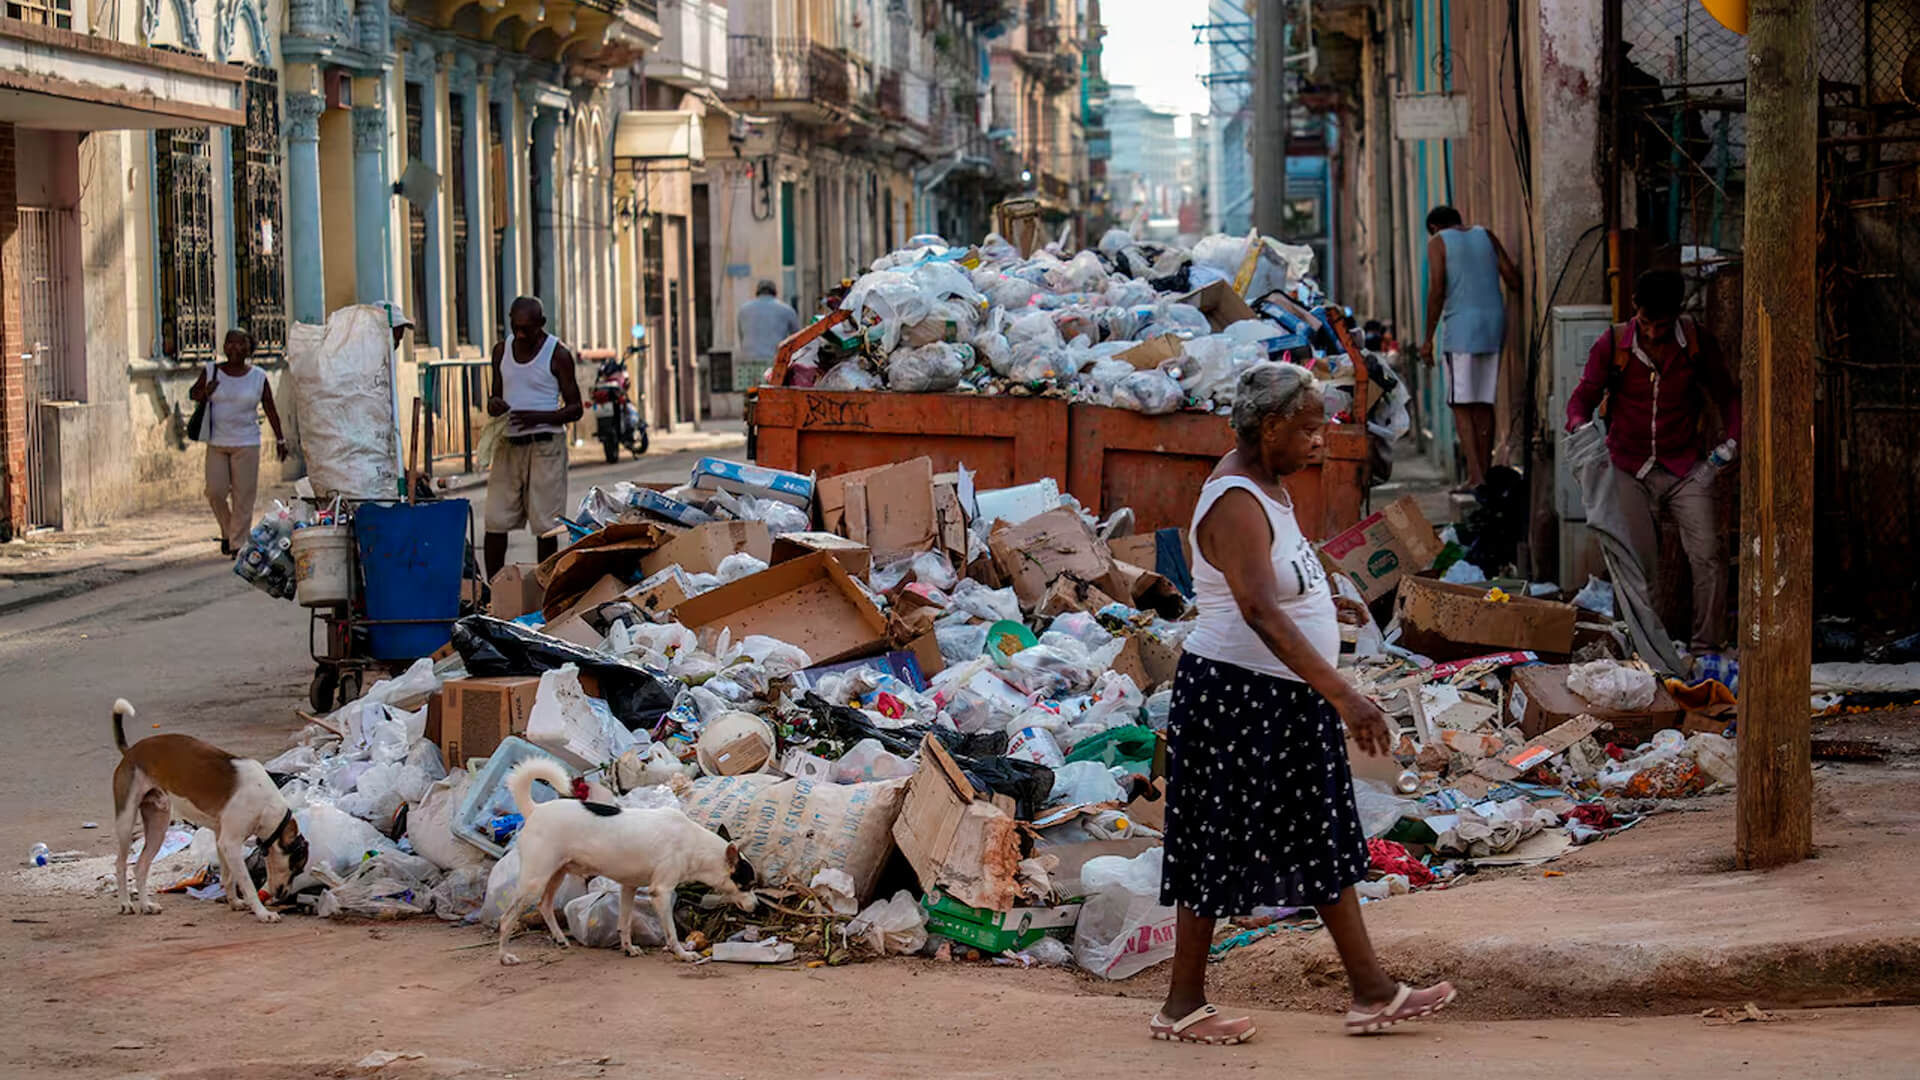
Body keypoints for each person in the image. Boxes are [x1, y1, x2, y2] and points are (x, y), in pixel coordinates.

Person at [1149, 362, 1455, 1046]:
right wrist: (1344, 693)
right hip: (1237, 697)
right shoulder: (1234, 500)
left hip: (1280, 696)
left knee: (1321, 837)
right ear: (1270, 427)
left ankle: (1372, 992)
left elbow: (1280, 588)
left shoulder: (1270, 487)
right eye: (1311, 428)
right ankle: (1181, 1006)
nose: (1323, 439)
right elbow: (1258, 608)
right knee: (1214, 842)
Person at [1566, 269, 1740, 654]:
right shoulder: (1612, 343)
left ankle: (1706, 649)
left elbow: (1728, 395)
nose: (1654, 332)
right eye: (1646, 322)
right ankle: (1642, 652)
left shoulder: (1696, 341)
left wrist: (1732, 441)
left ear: (1677, 314)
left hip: (1686, 467)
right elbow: (1582, 399)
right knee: (1636, 565)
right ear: (1635, 310)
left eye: (1662, 324)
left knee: (1709, 554)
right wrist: (1580, 428)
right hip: (1628, 465)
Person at [1418, 206, 1521, 492]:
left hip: (1461, 329)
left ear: (1435, 227)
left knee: (1460, 404)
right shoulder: (1485, 235)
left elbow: (1437, 289)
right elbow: (1513, 278)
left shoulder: (1438, 242)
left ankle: (1476, 477)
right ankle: (1485, 474)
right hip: (1493, 325)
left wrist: (1427, 339)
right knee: (1484, 402)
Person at [484, 297, 582, 581]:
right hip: (508, 444)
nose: (522, 335)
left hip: (545, 446)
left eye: (528, 329)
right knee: (495, 520)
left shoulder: (557, 354)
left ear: (542, 324)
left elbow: (575, 408)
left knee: (545, 525)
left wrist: (540, 417)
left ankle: (545, 587)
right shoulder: (501, 351)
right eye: (517, 328)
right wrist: (494, 404)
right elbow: (496, 394)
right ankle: (495, 590)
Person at [189, 329, 286, 556]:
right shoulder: (212, 371)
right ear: (224, 347)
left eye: (240, 344)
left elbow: (270, 409)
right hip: (217, 442)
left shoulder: (258, 376)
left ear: (249, 348)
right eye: (229, 343)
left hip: (247, 442)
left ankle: (237, 544)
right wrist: (205, 391)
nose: (234, 348)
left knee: (243, 496)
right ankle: (228, 531)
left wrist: (281, 438)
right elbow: (193, 394)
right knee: (215, 491)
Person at [735, 280, 800, 386]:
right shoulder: (786, 310)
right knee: (773, 398)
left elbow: (741, 336)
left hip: (747, 365)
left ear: (757, 292)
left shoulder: (743, 310)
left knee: (750, 397)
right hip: (774, 363)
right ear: (775, 292)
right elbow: (797, 338)